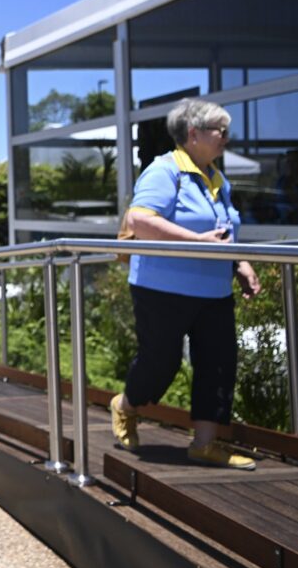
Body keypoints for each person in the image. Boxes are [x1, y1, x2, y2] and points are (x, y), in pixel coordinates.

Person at [111, 98, 261, 470]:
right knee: (160, 363)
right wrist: (197, 243)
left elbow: (224, 231)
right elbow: (140, 219)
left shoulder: (215, 177)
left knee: (219, 364)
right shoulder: (165, 170)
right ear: (193, 134)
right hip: (162, 288)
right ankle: (126, 404)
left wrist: (239, 262)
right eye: (219, 131)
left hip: (213, 290)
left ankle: (205, 444)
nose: (226, 138)